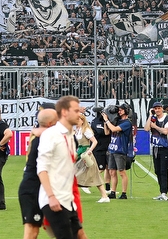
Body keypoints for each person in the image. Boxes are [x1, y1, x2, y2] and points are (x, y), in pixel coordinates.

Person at [37, 96, 82, 239]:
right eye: (75, 110)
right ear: (64, 112)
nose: (79, 113)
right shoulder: (51, 134)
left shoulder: (70, 135)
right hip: (54, 200)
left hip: (67, 200)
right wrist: (51, 197)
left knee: (80, 235)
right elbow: (42, 168)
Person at [20, 106, 57, 239]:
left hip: (45, 186)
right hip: (34, 187)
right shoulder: (45, 138)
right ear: (50, 124)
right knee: (32, 231)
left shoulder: (41, 136)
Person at [103, 103, 133, 200]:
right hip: (112, 149)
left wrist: (107, 120)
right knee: (112, 172)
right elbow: (107, 132)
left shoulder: (127, 123)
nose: (119, 111)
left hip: (120, 150)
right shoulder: (117, 121)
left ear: (126, 111)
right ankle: (113, 192)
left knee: (121, 172)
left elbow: (114, 129)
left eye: (121, 110)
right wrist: (105, 122)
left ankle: (124, 193)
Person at [145, 100, 168, 200]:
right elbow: (146, 129)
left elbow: (165, 131)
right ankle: (161, 192)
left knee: (163, 170)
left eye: (158, 108)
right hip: (156, 147)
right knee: (157, 170)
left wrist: (155, 127)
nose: (157, 110)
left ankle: (164, 192)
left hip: (165, 148)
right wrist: (150, 116)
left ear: (162, 108)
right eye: (155, 109)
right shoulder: (153, 119)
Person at [90, 108, 111, 202]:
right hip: (99, 149)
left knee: (108, 168)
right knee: (100, 169)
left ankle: (107, 188)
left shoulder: (108, 121)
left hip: (107, 147)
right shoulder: (96, 122)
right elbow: (102, 132)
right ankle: (85, 183)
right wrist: (106, 124)